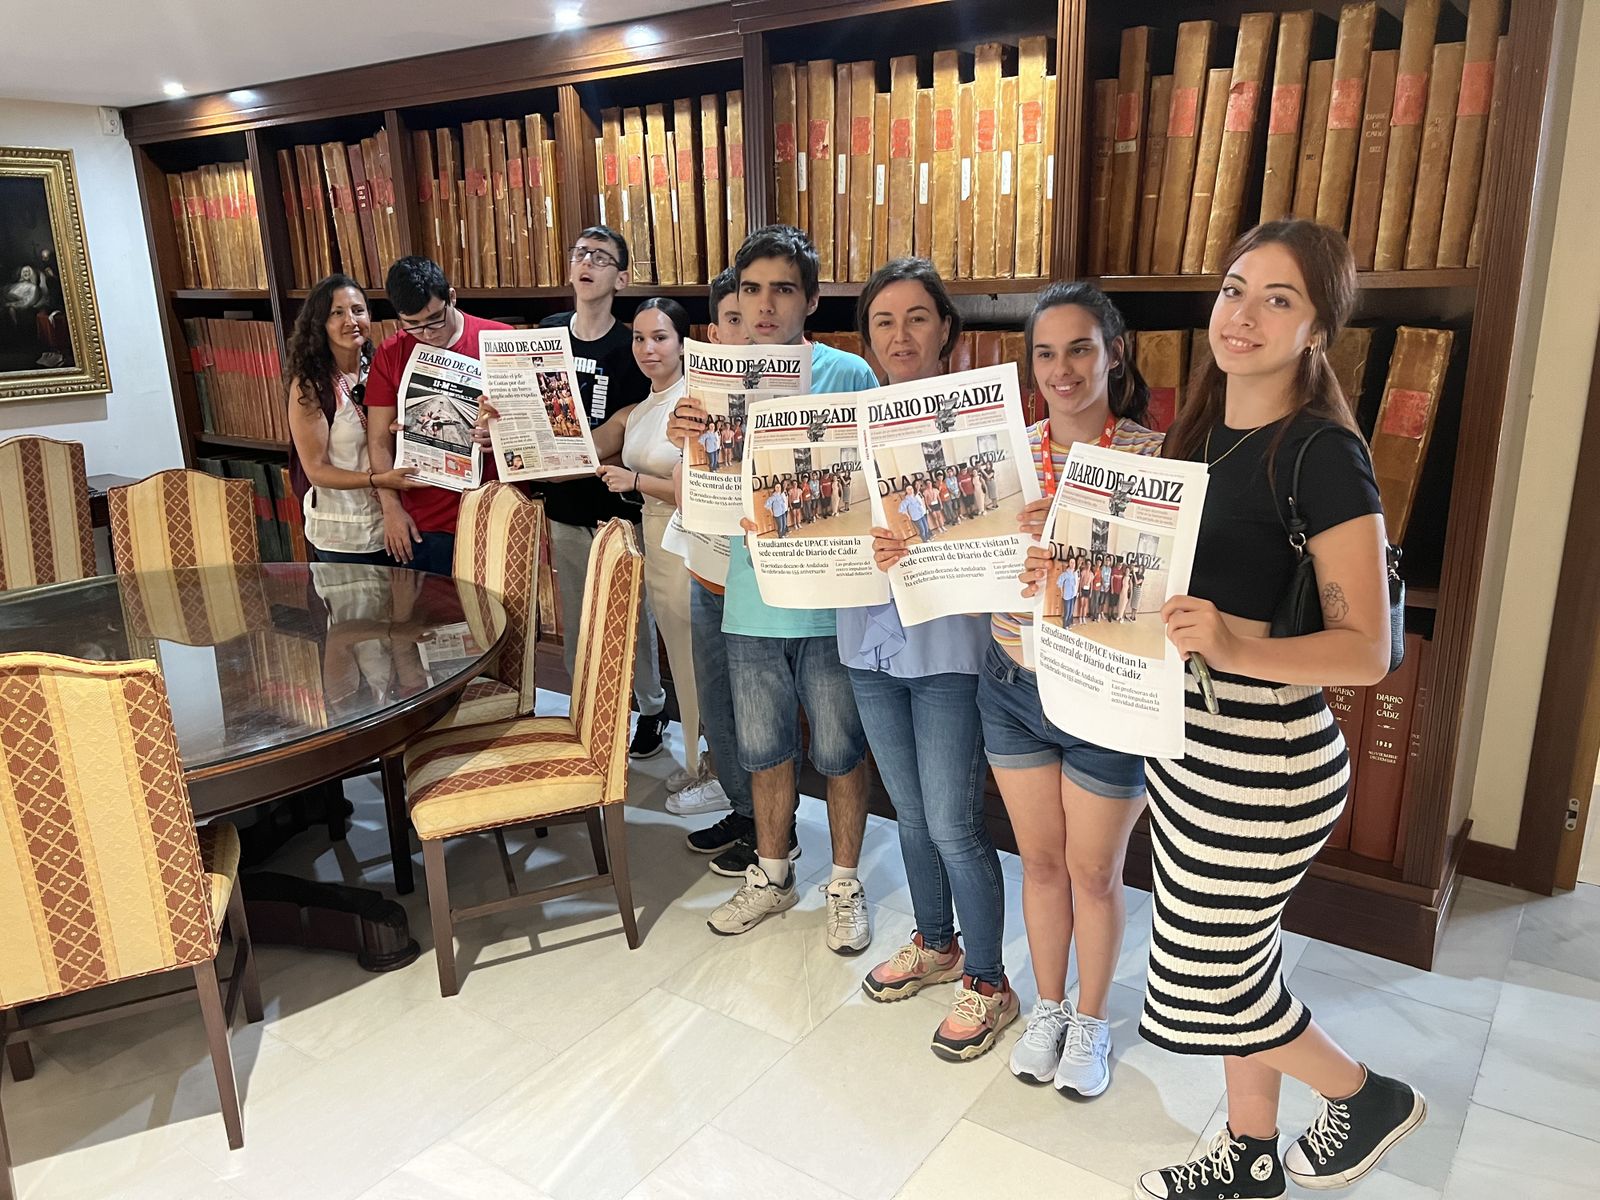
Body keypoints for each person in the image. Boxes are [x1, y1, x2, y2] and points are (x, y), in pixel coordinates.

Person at [1133, 221, 1423, 1200]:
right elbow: (1167, 603)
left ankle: (1366, 1097)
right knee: (1238, 969)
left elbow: (1369, 651)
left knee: (1205, 981)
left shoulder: (1319, 456)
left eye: (1277, 298)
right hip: (1189, 747)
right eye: (1231, 288)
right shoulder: (1199, 439)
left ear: (1315, 331)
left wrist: (1237, 646)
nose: (1242, 314)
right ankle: (1250, 1158)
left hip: (1264, 759)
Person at [666, 225, 879, 952]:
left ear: (810, 301)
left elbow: (884, 480)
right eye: (751, 289)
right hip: (749, 599)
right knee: (763, 748)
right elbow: (693, 499)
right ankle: (773, 870)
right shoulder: (710, 380)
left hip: (830, 603)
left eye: (782, 289)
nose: (764, 305)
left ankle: (845, 880)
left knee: (842, 749)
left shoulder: (849, 376)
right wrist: (683, 435)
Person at [990, 281, 1164, 1099]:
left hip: (1104, 690)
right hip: (1012, 679)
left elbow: (1162, 587)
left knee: (1096, 871)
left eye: (1081, 349)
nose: (1063, 369)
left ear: (1113, 353)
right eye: (1047, 353)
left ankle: (1092, 1021)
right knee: (1042, 861)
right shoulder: (1008, 452)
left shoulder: (1154, 458)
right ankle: (1050, 1006)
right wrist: (906, 547)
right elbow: (962, 555)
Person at [845, 258, 1016, 1061]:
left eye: (917, 318)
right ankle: (935, 942)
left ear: (946, 328)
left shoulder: (980, 424)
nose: (900, 335)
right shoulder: (845, 421)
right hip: (865, 639)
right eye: (883, 321)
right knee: (907, 813)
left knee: (952, 820)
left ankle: (988, 979)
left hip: (948, 644)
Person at [529, 226, 670, 761]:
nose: (586, 263)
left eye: (601, 257)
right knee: (577, 613)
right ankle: (588, 708)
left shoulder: (632, 344)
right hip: (563, 506)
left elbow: (631, 435)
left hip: (620, 508)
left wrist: (580, 458)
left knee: (634, 616)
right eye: (579, 252)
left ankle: (651, 708)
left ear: (621, 276)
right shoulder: (544, 335)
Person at [592, 296, 722, 813]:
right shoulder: (640, 408)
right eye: (639, 338)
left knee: (700, 658)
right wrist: (508, 426)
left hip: (691, 539)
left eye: (661, 337)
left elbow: (709, 483)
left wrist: (637, 481)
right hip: (654, 537)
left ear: (684, 341)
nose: (648, 348)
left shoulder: (696, 400)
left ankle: (715, 768)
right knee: (680, 655)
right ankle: (696, 762)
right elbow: (574, 451)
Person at [680, 269, 767, 871]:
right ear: (715, 331)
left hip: (759, 584)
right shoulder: (696, 393)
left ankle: (773, 829)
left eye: (753, 318)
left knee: (758, 717)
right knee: (717, 707)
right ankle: (744, 810)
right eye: (731, 321)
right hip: (704, 572)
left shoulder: (801, 385)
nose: (746, 332)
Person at [364, 256, 513, 575]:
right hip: (425, 522)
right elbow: (378, 441)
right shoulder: (391, 353)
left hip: (497, 514)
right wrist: (390, 509)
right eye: (413, 324)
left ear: (452, 297)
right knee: (435, 623)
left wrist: (501, 433)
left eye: (434, 319)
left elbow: (531, 431)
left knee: (506, 623)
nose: (427, 333)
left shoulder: (500, 339)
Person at [285, 273, 421, 564]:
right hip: (342, 534)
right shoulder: (310, 386)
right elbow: (316, 471)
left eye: (358, 310)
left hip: (392, 521)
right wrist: (376, 480)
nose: (351, 320)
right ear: (320, 323)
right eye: (337, 313)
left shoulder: (380, 369)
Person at [1056, 555, 1078, 628]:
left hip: (1073, 595)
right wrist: (1062, 592)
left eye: (1074, 563)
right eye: (1071, 562)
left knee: (1071, 611)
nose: (1072, 564)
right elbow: (1059, 582)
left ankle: (1068, 624)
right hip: (1067, 596)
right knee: (1067, 612)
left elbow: (1076, 583)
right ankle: (1064, 626)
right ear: (1069, 563)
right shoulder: (1065, 574)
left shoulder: (1075, 573)